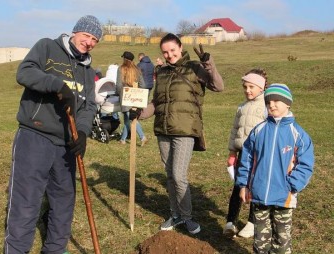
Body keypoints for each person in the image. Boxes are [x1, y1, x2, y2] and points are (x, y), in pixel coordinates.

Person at [4, 15, 102, 253]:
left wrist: (83, 132)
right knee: (26, 203)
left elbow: (89, 106)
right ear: (76, 32)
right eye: (87, 36)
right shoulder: (47, 46)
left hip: (67, 145)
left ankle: (55, 250)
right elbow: (24, 72)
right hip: (35, 136)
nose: (89, 42)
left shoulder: (88, 72)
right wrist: (57, 85)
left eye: (95, 40)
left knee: (63, 205)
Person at [135, 33, 224, 234]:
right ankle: (175, 215)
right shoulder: (163, 72)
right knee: (169, 175)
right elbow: (156, 103)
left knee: (178, 174)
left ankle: (187, 217)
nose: (169, 55)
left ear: (180, 47)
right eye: (165, 52)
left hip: (185, 130)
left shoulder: (194, 68)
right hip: (163, 130)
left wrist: (207, 62)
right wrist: (139, 113)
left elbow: (218, 86)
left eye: (172, 50)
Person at [235, 83, 314, 253]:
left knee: (282, 240)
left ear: (288, 103)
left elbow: (306, 164)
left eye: (276, 100)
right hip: (259, 194)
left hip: (283, 197)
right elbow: (246, 160)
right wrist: (244, 185)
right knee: (260, 241)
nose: (271, 105)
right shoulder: (258, 130)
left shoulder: (298, 134)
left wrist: (292, 186)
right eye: (268, 101)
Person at [223, 69, 268, 238]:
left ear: (261, 88)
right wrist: (232, 152)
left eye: (251, 87)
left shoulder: (266, 106)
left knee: (254, 188)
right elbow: (235, 130)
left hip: (259, 156)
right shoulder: (241, 107)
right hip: (242, 155)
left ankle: (251, 222)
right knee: (237, 187)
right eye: (245, 87)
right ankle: (230, 222)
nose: (248, 90)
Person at [116, 51, 148, 146]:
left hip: (126, 96)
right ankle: (123, 139)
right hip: (135, 97)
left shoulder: (121, 69)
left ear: (124, 59)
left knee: (132, 119)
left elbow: (118, 85)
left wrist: (119, 93)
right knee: (127, 118)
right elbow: (143, 85)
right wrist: (139, 94)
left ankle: (143, 137)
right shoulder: (137, 70)